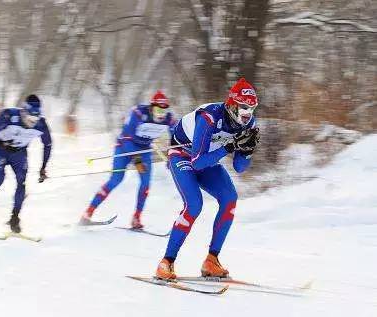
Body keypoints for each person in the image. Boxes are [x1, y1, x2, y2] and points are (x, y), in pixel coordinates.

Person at [155, 78, 260, 280]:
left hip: (208, 159)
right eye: (244, 107)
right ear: (232, 104)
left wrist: (247, 150)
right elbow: (197, 163)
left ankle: (212, 260)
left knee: (230, 198)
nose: (248, 114)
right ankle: (166, 262)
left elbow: (239, 167)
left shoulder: (248, 123)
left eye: (252, 108)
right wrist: (229, 147)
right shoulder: (209, 117)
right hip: (183, 156)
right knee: (194, 204)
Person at [80, 90, 177, 229]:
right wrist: (137, 161)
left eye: (163, 111)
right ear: (151, 107)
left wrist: (172, 154)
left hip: (144, 150)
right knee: (116, 180)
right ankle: (88, 213)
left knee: (145, 184)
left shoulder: (168, 118)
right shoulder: (138, 113)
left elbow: (176, 134)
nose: (160, 115)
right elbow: (126, 138)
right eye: (157, 110)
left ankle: (136, 218)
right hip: (124, 147)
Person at [0, 95, 52, 233]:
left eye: (35, 119)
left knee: (21, 182)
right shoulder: (9, 115)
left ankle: (14, 218)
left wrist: (43, 167)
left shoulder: (41, 124)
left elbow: (48, 144)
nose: (32, 122)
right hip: (0, 150)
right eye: (29, 118)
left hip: (19, 153)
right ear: (23, 111)